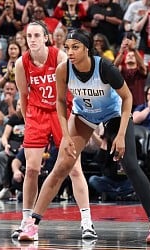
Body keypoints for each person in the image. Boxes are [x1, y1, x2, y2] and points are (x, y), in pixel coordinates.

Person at [18, 29, 150, 245]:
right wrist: (66, 135)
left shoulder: (105, 67)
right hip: (83, 115)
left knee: (131, 166)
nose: (70, 52)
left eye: (75, 47)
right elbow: (60, 103)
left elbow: (127, 98)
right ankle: (32, 224)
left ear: (86, 49)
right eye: (67, 47)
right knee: (61, 166)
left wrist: (121, 134)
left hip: (114, 114)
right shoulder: (63, 70)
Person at [14, 21, 97, 240]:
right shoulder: (21, 64)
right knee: (31, 169)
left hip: (62, 112)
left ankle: (87, 222)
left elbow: (74, 88)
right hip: (37, 113)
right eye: (29, 35)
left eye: (36, 35)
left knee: (74, 168)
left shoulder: (59, 57)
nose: (32, 39)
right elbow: (23, 95)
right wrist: (28, 120)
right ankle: (26, 221)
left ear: (46, 37)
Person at [0, 101, 25, 199]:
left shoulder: (31, 118)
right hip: (12, 148)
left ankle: (21, 189)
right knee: (0, 156)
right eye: (18, 105)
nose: (19, 107)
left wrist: (25, 146)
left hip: (26, 149)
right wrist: (6, 145)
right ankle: (5, 188)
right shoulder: (13, 119)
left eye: (22, 104)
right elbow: (4, 137)